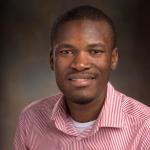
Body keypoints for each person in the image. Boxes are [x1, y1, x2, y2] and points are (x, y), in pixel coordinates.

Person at [13, 5, 150, 150]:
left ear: (113, 59)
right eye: (66, 51)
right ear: (52, 60)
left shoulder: (145, 127)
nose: (80, 64)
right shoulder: (31, 119)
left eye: (95, 51)